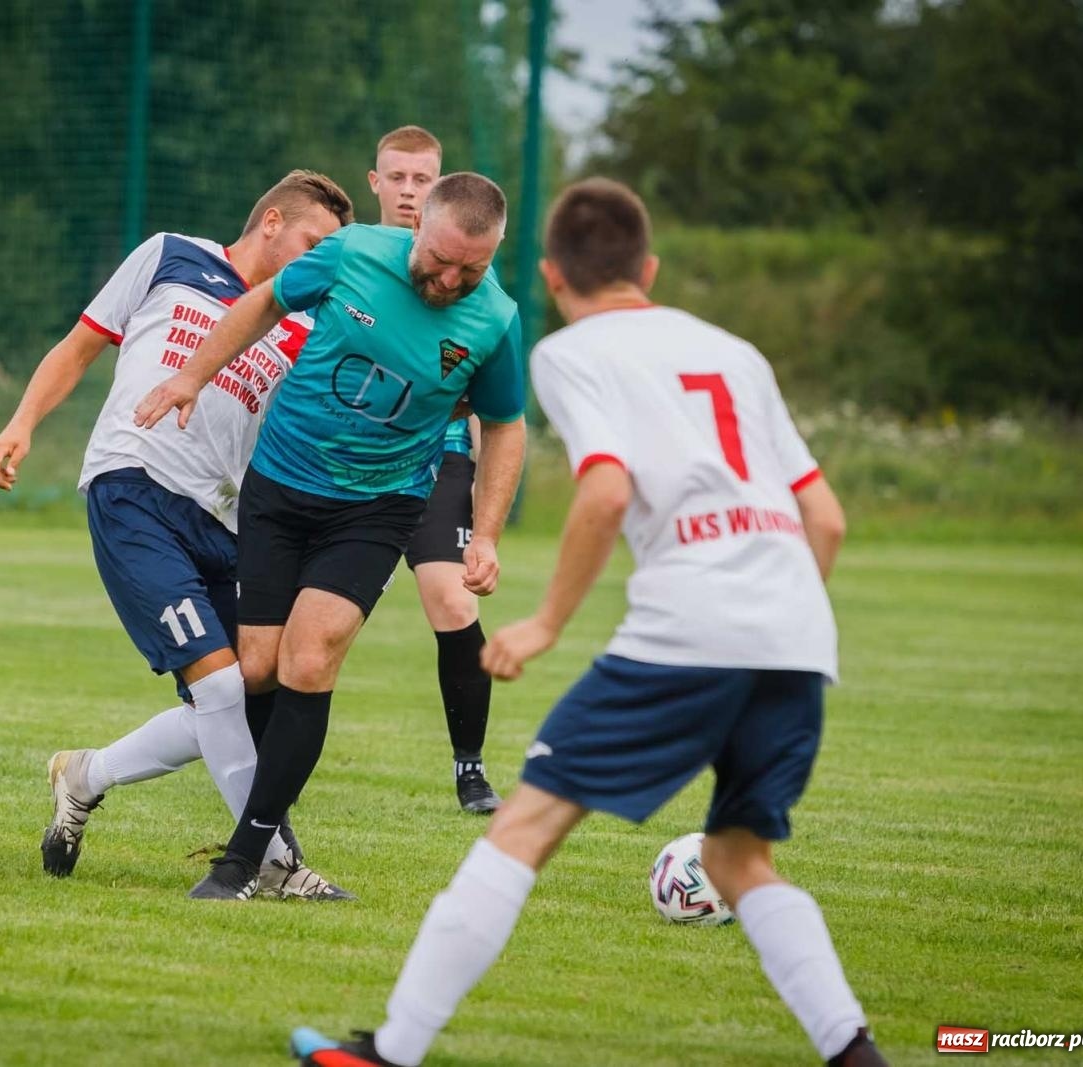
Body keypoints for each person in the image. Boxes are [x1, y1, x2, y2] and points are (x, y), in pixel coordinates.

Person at [288, 178, 887, 1066]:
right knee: (740, 861)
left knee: (520, 830)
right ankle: (858, 1055)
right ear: (649, 267)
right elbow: (825, 520)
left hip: (688, 631)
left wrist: (544, 626)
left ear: (550, 274)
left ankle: (388, 1053)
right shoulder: (736, 352)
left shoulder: (576, 354)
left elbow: (604, 489)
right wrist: (780, 618)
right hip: (797, 638)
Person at [135, 172, 528, 901]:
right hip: (279, 488)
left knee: (308, 660)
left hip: (376, 508)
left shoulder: (495, 318)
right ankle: (108, 777)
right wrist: (193, 376)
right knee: (255, 669)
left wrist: (489, 532)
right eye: (439, 259)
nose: (449, 279)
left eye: (470, 269)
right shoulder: (351, 254)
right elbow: (263, 302)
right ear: (419, 230)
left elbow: (506, 424)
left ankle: (243, 860)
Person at [0, 170, 357, 900]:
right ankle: (278, 865)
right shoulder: (169, 255)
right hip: (133, 490)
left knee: (245, 693)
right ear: (273, 221)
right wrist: (21, 422)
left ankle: (84, 775)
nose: (321, 263)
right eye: (315, 243)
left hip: (225, 522)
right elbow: (78, 347)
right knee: (218, 684)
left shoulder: (302, 325)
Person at [369, 125, 500, 815]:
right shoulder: (353, 257)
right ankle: (259, 760)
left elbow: (493, 390)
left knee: (453, 602)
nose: (411, 191)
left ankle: (471, 769)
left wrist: (483, 489)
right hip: (348, 460)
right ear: (376, 183)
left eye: (424, 179)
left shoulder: (475, 273)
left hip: (438, 456)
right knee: (306, 627)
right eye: (399, 178)